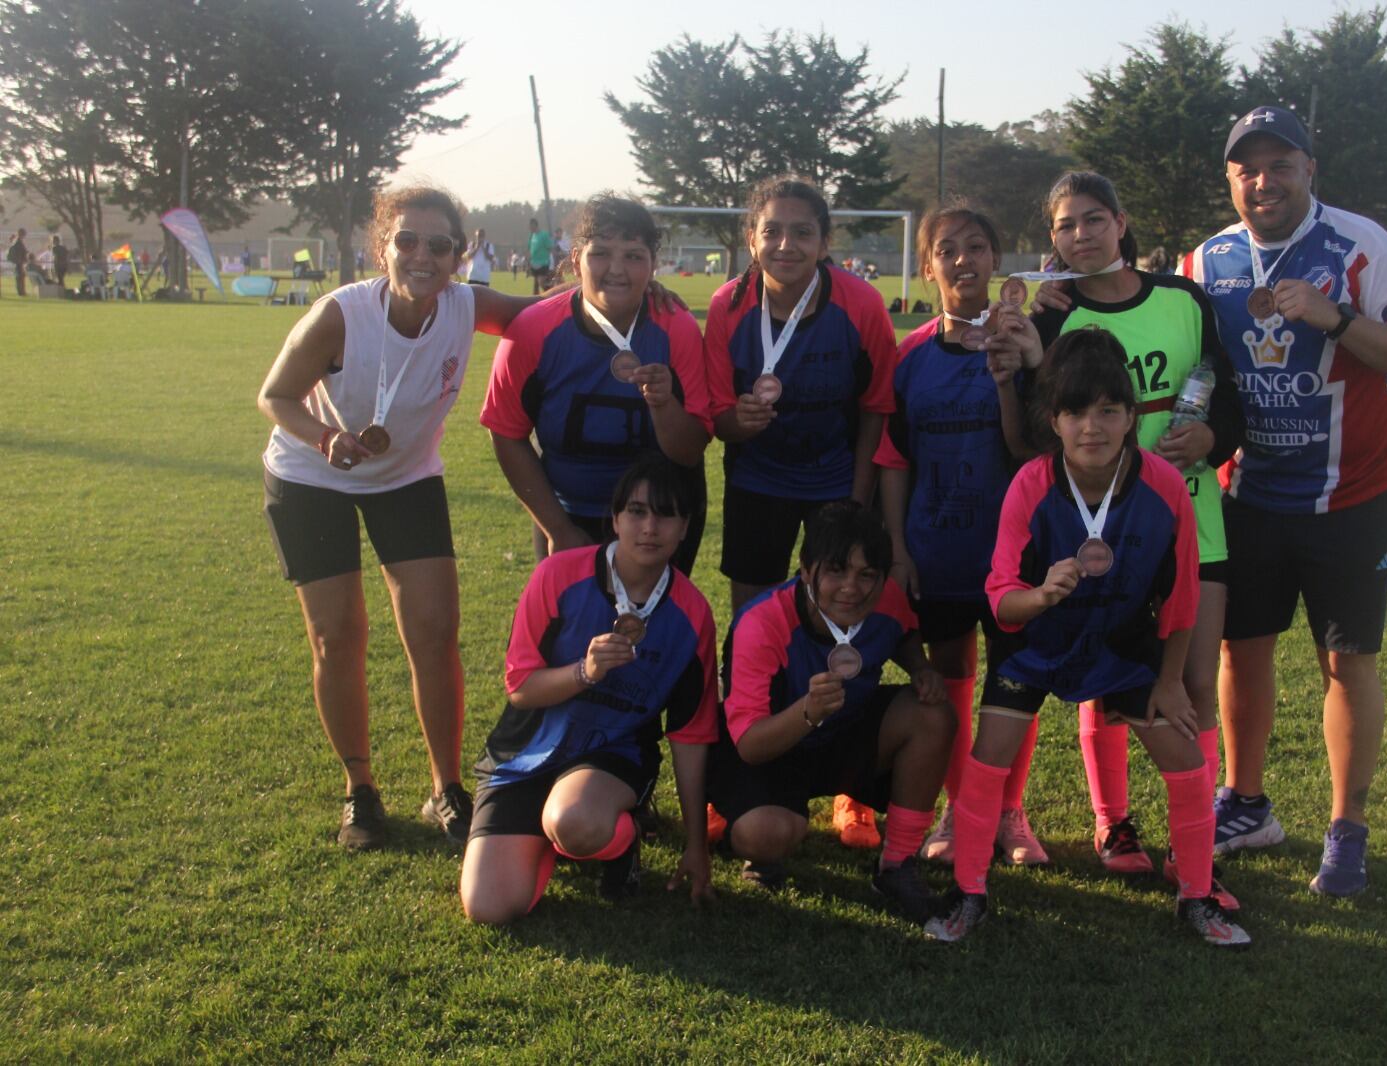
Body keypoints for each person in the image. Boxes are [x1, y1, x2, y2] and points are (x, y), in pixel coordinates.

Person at [1179, 105, 1387, 896]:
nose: (1264, 181)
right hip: (1248, 492)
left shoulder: (1362, 245)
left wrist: (1338, 318)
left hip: (1350, 492)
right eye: (1246, 168)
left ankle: (1346, 830)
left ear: (1308, 170)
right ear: (1230, 179)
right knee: (1240, 649)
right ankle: (1246, 803)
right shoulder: (1208, 259)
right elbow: (1195, 367)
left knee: (1345, 660)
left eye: (1280, 164)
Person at [922, 329, 1249, 948]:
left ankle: (1197, 896)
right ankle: (969, 893)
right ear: (1054, 420)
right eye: (1075, 412)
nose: (1091, 427)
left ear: (1131, 417)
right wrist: (1042, 596)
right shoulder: (1030, 485)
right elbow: (1000, 595)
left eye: (1107, 410)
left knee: (1185, 760)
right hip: (1036, 642)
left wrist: (1171, 678)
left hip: (1124, 645)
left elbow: (1181, 599)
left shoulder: (1164, 486)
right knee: (987, 758)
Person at [257, 183, 542, 851]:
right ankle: (360, 790)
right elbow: (275, 395)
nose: (422, 256)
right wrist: (326, 438)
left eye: (439, 245)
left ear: (460, 253)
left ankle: (446, 787)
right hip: (311, 478)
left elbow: (550, 313)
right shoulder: (340, 314)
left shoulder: (465, 305)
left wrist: (633, 292)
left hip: (406, 479)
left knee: (436, 631)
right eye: (406, 241)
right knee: (338, 635)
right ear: (381, 247)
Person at [1024, 172, 1244, 904]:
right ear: (1052, 239)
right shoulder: (1053, 315)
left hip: (1193, 517)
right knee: (1107, 680)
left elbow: (1228, 392)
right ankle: (1113, 823)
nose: (1081, 234)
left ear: (1122, 224)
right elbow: (1035, 423)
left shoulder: (1183, 300)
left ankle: (1194, 849)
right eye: (1065, 226)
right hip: (1102, 533)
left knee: (1193, 685)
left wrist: (1213, 435)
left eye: (1094, 220)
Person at [703, 176, 898, 850]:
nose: (787, 244)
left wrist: (857, 495)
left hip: (834, 486)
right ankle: (736, 780)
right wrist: (740, 421)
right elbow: (717, 419)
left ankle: (850, 794)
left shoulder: (861, 303)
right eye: (773, 231)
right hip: (757, 481)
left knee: (844, 620)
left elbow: (876, 406)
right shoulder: (727, 307)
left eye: (803, 232)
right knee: (752, 627)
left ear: (825, 241)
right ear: (751, 238)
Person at [460, 456, 719, 922]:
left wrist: (696, 846)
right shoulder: (557, 576)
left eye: (666, 515)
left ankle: (615, 839)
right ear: (615, 518)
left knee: (574, 822)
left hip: (613, 753)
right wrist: (584, 671)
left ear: (685, 528)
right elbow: (520, 687)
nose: (649, 527)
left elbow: (691, 734)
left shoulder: (693, 615)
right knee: (487, 907)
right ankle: (549, 830)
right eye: (637, 512)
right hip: (526, 752)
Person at [873, 202, 1044, 867]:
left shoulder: (1025, 347)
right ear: (928, 266)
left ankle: (1008, 812)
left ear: (997, 261)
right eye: (948, 249)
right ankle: (955, 809)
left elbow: (1032, 448)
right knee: (950, 678)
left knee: (1014, 681)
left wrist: (1011, 376)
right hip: (936, 549)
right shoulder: (910, 356)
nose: (964, 260)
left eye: (977, 246)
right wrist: (898, 548)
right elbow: (892, 459)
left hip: (1012, 554)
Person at [708, 501, 955, 922]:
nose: (851, 588)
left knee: (934, 715)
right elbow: (749, 744)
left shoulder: (887, 600)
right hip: (772, 749)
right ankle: (742, 831)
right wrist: (807, 711)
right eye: (836, 570)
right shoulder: (761, 623)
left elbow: (904, 634)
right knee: (765, 835)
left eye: (866, 575)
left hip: (842, 733)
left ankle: (897, 865)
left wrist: (920, 669)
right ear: (805, 570)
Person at [481, 193, 712, 573]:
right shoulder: (534, 331)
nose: (617, 269)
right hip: (567, 511)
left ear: (653, 267)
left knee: (653, 628)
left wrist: (663, 403)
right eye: (600, 252)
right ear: (576, 260)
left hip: (657, 517)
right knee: (567, 627)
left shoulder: (675, 327)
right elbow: (507, 433)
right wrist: (558, 528)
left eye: (634, 256)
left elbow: (688, 453)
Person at [528, 217, 555, 294]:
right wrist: (529, 261)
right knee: (536, 284)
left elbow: (550, 248)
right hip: (534, 263)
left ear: (534, 225)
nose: (529, 228)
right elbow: (530, 249)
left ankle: (551, 294)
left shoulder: (544, 235)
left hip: (543, 262)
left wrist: (553, 262)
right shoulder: (531, 236)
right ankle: (534, 301)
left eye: (530, 226)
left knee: (541, 282)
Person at [7, 229, 28, 295]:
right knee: (20, 277)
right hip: (19, 262)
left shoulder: (18, 241)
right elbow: (19, 251)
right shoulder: (18, 242)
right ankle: (21, 292)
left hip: (19, 262)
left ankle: (22, 291)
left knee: (21, 276)